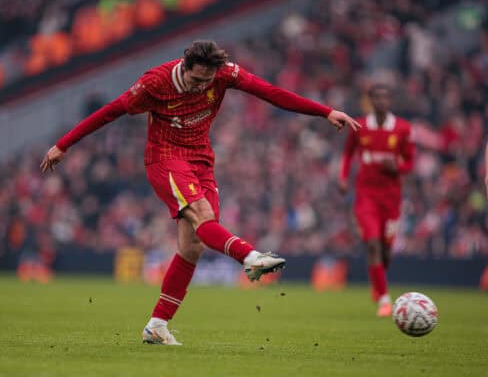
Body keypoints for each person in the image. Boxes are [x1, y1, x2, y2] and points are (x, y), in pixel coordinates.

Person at [41, 40, 360, 344]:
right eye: (196, 78)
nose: (201, 85)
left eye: (207, 80)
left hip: (201, 161)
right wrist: (63, 144)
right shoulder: (155, 83)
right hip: (166, 159)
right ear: (185, 64)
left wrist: (325, 111)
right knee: (203, 216)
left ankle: (157, 325)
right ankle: (251, 257)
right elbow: (110, 111)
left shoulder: (223, 74)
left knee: (194, 245)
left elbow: (270, 93)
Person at [338, 84, 414, 317]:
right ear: (370, 101)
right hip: (366, 196)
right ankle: (384, 298)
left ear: (390, 101)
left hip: (391, 198)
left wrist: (398, 167)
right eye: (377, 98)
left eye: (385, 97)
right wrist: (343, 178)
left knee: (386, 251)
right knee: (372, 244)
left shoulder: (402, 128)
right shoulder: (359, 126)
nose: (381, 102)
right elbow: (348, 153)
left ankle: (377, 283)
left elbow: (410, 162)